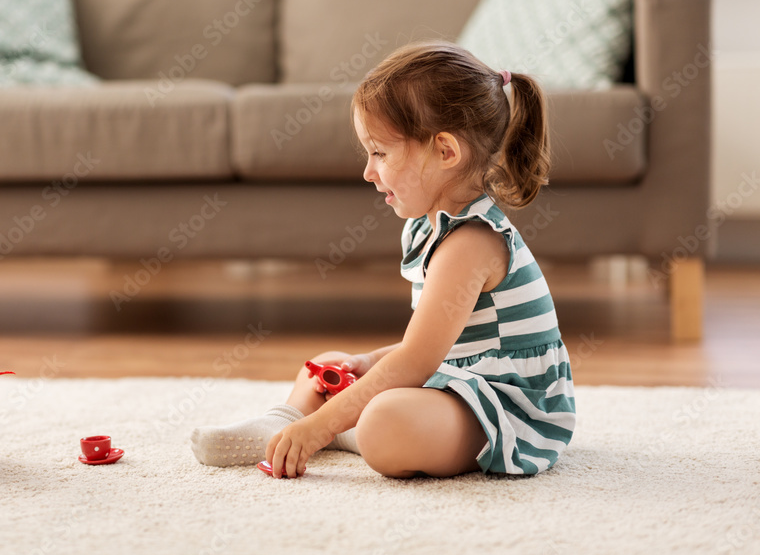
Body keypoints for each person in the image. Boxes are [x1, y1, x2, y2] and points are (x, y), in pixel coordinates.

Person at [190, 41, 576, 479]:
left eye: (380, 153)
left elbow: (417, 359)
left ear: (446, 152)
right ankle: (283, 422)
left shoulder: (471, 242)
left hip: (510, 406)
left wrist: (324, 423)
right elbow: (445, 343)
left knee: (386, 423)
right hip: (461, 374)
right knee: (331, 362)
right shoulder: (433, 224)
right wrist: (369, 362)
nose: (368, 172)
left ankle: (328, 431)